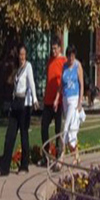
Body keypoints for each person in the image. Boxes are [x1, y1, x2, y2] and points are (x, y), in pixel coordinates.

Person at [0, 44, 37, 176]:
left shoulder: (28, 67)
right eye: (20, 54)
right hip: (16, 103)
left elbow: (31, 83)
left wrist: (35, 100)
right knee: (10, 135)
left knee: (24, 134)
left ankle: (24, 166)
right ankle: (4, 167)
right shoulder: (18, 69)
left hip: (24, 104)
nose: (22, 57)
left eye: (24, 54)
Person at [55, 45, 84, 165]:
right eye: (69, 56)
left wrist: (80, 102)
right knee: (72, 130)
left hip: (74, 99)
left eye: (72, 56)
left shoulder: (78, 66)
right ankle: (76, 155)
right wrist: (57, 98)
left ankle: (61, 155)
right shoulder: (65, 67)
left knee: (65, 128)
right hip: (66, 99)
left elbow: (81, 85)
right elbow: (61, 84)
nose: (70, 58)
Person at [40, 37, 65, 166]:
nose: (53, 51)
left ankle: (59, 156)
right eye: (52, 48)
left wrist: (58, 97)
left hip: (58, 101)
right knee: (44, 127)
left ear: (60, 48)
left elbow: (63, 81)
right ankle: (46, 156)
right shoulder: (50, 61)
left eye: (55, 48)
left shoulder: (64, 61)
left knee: (58, 129)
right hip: (48, 101)